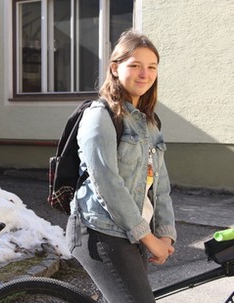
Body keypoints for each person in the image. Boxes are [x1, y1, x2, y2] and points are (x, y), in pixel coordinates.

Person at [65, 29, 176, 303]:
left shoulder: (149, 122)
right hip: (100, 232)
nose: (144, 74)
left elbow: (160, 185)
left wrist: (166, 235)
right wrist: (149, 238)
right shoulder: (99, 117)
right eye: (135, 65)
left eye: (151, 67)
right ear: (115, 68)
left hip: (135, 231)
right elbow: (108, 185)